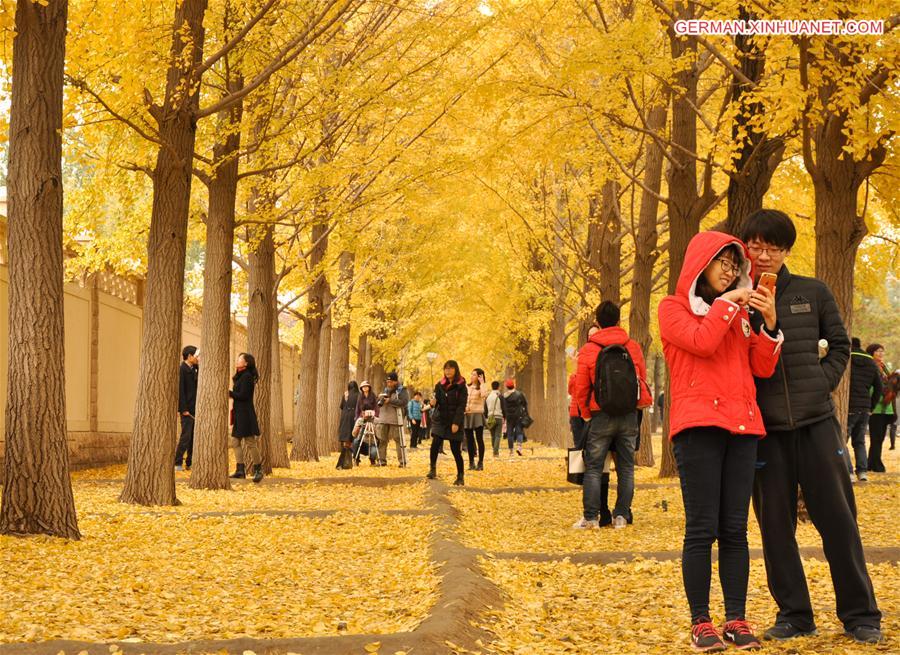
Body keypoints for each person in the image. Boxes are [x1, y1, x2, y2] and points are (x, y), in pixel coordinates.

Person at [740, 209, 882, 644]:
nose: (764, 255)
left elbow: (839, 344)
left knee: (838, 519)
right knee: (775, 527)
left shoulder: (813, 292)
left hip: (818, 423)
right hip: (766, 432)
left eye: (774, 247)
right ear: (745, 248)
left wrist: (822, 384)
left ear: (785, 250)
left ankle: (861, 614)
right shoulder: (733, 296)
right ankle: (794, 614)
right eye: (756, 245)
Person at [659, 231, 783, 651]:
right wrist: (729, 306)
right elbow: (701, 342)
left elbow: (761, 369)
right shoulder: (673, 309)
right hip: (698, 427)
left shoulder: (739, 315)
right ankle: (700, 622)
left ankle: (736, 618)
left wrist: (768, 324)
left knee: (735, 529)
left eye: (735, 265)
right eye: (722, 263)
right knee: (701, 528)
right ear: (700, 263)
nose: (730, 272)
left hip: (743, 426)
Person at [572, 301, 651, 531]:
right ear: (618, 321)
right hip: (627, 414)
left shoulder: (589, 349)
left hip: (600, 414)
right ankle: (621, 516)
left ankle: (592, 518)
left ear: (597, 322)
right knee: (626, 468)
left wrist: (585, 414)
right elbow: (642, 379)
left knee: (594, 468)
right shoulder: (632, 347)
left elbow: (581, 387)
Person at [427, 360, 468, 485]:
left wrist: (456, 423)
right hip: (441, 420)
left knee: (455, 449)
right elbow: (436, 400)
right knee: (435, 444)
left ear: (456, 370)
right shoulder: (440, 385)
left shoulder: (461, 386)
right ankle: (432, 469)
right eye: (446, 369)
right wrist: (433, 403)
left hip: (455, 420)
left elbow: (461, 406)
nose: (448, 371)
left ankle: (460, 476)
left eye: (451, 368)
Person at [847, 339, 882, 481]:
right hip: (865, 407)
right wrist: (871, 406)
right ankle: (862, 472)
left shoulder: (846, 358)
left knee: (841, 440)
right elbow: (879, 388)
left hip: (850, 406)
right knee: (859, 441)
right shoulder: (871, 363)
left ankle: (849, 472)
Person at [229, 353, 263, 483]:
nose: (237, 361)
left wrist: (229, 393)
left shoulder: (247, 377)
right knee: (235, 442)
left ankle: (258, 470)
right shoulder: (240, 376)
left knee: (250, 442)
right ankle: (240, 470)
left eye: (240, 359)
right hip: (239, 413)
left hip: (245, 414)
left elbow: (243, 395)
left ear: (246, 363)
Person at [866, 344, 894, 473]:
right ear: (871, 352)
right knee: (876, 437)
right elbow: (871, 386)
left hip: (886, 407)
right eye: (878, 351)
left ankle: (871, 463)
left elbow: (889, 384)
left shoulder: (884, 367)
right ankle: (876, 465)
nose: (881, 353)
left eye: (882, 351)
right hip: (875, 408)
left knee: (880, 438)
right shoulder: (870, 365)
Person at [375, 372, 409, 467]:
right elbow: (378, 403)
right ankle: (381, 460)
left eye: (390, 382)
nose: (388, 384)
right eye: (387, 382)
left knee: (398, 440)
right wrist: (379, 398)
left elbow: (404, 402)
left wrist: (390, 401)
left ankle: (402, 461)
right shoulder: (385, 390)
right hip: (383, 418)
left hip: (396, 419)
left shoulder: (402, 390)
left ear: (395, 381)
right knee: (382, 440)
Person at [175, 345, 199, 471]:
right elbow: (180, 391)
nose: (198, 358)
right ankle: (177, 462)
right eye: (196, 356)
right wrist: (183, 409)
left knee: (194, 437)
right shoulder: (182, 369)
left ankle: (189, 462)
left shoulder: (195, 368)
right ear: (189, 357)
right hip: (187, 410)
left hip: (195, 408)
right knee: (186, 436)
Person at [464, 368, 488, 470]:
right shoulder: (467, 387)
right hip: (467, 415)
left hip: (477, 415)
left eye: (474, 375)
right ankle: (471, 462)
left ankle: (480, 462)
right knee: (469, 440)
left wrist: (482, 383)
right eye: (471, 374)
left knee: (479, 439)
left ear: (479, 376)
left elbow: (484, 395)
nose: (472, 376)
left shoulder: (482, 387)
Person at [500, 379, 528, 456]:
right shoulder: (519, 394)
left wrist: (504, 416)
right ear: (514, 385)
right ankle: (519, 447)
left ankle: (511, 451)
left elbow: (502, 407)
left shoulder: (503, 396)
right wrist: (525, 413)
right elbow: (525, 403)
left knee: (510, 433)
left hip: (509, 416)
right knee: (519, 431)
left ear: (506, 387)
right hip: (518, 416)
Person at [338, 380, 360, 450]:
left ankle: (346, 449)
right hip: (354, 414)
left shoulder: (345, 394)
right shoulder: (359, 395)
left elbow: (341, 406)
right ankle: (353, 450)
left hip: (345, 415)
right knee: (353, 432)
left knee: (346, 432)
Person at [485, 381, 505, 457]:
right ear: (498, 387)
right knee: (498, 435)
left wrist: (486, 417)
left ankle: (494, 449)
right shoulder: (500, 396)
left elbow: (485, 408)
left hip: (490, 417)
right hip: (499, 417)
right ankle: (495, 452)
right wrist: (505, 417)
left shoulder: (488, 396)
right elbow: (503, 407)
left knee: (493, 435)